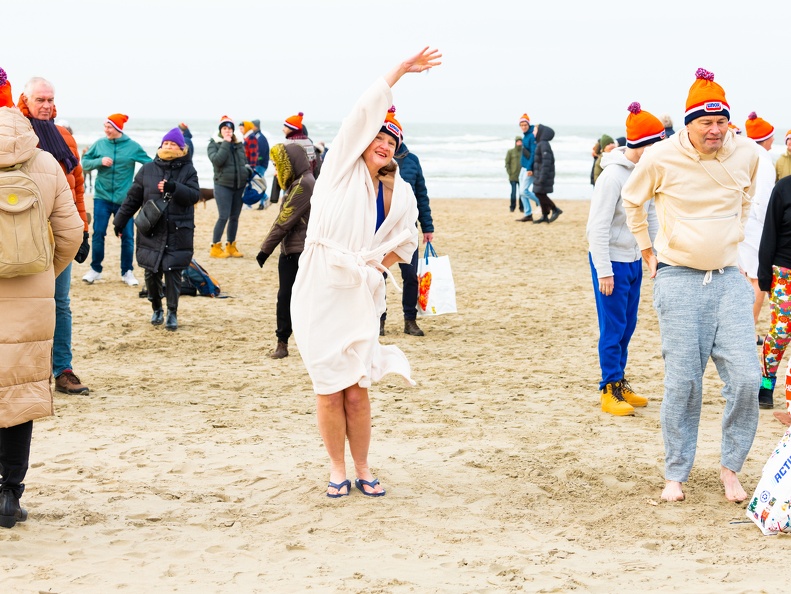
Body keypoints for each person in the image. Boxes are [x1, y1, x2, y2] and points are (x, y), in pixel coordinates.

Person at [290, 47, 439, 498]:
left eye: (391, 143)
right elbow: (361, 112)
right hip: (320, 285)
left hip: (360, 293)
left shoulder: (402, 192)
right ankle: (337, 468)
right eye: (378, 138)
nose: (383, 145)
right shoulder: (338, 170)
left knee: (357, 389)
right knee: (329, 388)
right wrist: (399, 73)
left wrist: (377, 263)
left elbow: (407, 243)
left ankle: (363, 464)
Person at [623, 68, 760, 503]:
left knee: (745, 378)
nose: (716, 129)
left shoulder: (748, 154)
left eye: (722, 121)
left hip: (728, 280)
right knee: (684, 384)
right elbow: (632, 199)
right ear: (689, 123)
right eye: (706, 122)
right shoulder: (660, 157)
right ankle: (675, 475)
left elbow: (745, 199)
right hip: (678, 279)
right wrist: (648, 251)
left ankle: (730, 468)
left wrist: (732, 242)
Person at [0, 68, 83, 528]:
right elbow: (71, 233)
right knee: (19, 396)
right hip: (32, 298)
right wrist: (42, 277)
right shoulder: (46, 161)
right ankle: (10, 495)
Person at [587, 102, 664, 416]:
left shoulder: (646, 172)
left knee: (628, 325)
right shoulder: (612, 178)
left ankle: (620, 382)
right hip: (611, 263)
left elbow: (651, 215)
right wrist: (604, 270)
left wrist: (654, 254)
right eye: (656, 144)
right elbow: (597, 227)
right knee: (613, 327)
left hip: (633, 260)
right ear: (643, 145)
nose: (660, 149)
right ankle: (609, 388)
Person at [17, 76, 91, 395]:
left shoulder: (63, 137)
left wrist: (82, 228)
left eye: (50, 100)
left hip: (57, 232)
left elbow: (75, 184)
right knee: (21, 303)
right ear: (25, 101)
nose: (46, 105)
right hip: (20, 232)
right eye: (39, 100)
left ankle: (63, 369)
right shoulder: (15, 134)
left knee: (60, 302)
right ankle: (22, 371)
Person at [112, 127, 200, 331]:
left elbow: (194, 195)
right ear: (161, 146)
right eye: (166, 143)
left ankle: (172, 312)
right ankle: (156, 308)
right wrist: (120, 220)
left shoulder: (188, 170)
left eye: (173, 144)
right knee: (151, 274)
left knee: (173, 273)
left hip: (178, 231)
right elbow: (133, 198)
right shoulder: (147, 169)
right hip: (151, 230)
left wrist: (174, 188)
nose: (169, 146)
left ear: (181, 147)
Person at [255, 143, 315, 358]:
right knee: (291, 297)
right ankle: (285, 342)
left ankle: (283, 344)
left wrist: (265, 250)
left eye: (277, 165)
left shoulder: (303, 185)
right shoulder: (299, 182)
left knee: (287, 297)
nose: (275, 170)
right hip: (296, 248)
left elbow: (284, 220)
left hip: (298, 251)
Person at [81, 113, 152, 286]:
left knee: (127, 236)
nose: (106, 130)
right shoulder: (99, 144)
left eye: (109, 127)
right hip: (101, 197)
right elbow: (84, 162)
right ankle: (95, 270)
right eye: (105, 126)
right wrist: (99, 161)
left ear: (118, 129)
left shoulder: (132, 147)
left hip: (125, 201)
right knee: (98, 233)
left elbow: (149, 164)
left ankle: (127, 272)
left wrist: (141, 185)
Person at [738, 112, 776, 358]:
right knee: (757, 279)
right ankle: (747, 330)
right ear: (768, 139)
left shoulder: (745, 153)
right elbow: (763, 200)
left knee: (743, 274)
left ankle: (742, 327)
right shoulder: (764, 160)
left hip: (741, 221)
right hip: (756, 224)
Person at [390, 137, 435, 336]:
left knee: (410, 277)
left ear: (400, 137)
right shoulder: (374, 158)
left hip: (408, 228)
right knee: (377, 276)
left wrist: (427, 227)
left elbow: (421, 196)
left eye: (393, 138)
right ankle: (378, 322)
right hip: (380, 229)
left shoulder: (412, 160)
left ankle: (410, 321)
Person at [758, 175, 791, 427]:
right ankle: (767, 383)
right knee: (781, 332)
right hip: (784, 271)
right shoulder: (783, 187)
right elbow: (769, 231)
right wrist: (764, 275)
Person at [207, 116, 248, 259]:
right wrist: (225, 143)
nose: (228, 131)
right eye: (225, 128)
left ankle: (231, 246)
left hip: (239, 185)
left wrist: (247, 172)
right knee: (223, 216)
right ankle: (215, 247)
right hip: (222, 185)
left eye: (230, 128)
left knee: (235, 217)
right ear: (220, 130)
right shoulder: (214, 144)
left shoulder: (239, 144)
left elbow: (244, 161)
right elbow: (217, 161)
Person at [270, 113, 322, 205]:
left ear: (292, 128)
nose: (283, 129)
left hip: (293, 184)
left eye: (285, 127)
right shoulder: (308, 142)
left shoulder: (290, 143)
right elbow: (314, 165)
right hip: (309, 182)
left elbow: (283, 167)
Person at [532, 123, 562, 223]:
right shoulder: (540, 143)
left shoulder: (543, 144)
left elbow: (546, 162)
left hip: (543, 175)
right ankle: (545, 215)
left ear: (540, 132)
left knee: (539, 193)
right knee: (540, 193)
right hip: (540, 175)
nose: (533, 132)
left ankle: (555, 209)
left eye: (535, 131)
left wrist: (542, 177)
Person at [516, 114, 540, 222]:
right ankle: (528, 214)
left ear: (528, 124)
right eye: (521, 124)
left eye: (525, 124)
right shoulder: (525, 135)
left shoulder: (531, 136)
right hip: (523, 167)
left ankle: (542, 202)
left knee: (524, 191)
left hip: (529, 168)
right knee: (521, 192)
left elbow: (534, 153)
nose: (523, 126)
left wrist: (530, 168)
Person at [251, 119, 270, 210]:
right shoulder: (256, 136)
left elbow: (261, 153)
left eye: (252, 126)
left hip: (260, 165)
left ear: (256, 126)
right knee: (257, 183)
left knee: (257, 183)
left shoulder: (260, 138)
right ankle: (262, 203)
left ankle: (265, 198)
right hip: (258, 164)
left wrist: (255, 163)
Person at [505, 136, 523, 212]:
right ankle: (512, 207)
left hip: (522, 176)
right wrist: (510, 173)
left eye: (520, 141)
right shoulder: (510, 151)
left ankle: (522, 208)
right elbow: (507, 163)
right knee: (513, 192)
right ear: (515, 142)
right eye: (518, 141)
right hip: (513, 176)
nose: (519, 143)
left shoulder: (524, 151)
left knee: (522, 193)